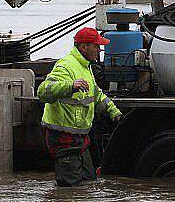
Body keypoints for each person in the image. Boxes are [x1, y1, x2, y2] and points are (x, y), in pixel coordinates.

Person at [38, 27, 122, 186]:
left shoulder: (85, 67)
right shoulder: (66, 66)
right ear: (84, 47)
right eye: (96, 46)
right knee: (69, 188)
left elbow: (96, 95)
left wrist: (114, 112)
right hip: (63, 137)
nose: (99, 49)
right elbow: (43, 91)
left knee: (88, 183)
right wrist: (70, 86)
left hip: (80, 139)